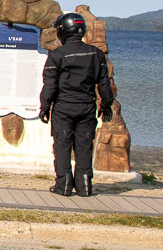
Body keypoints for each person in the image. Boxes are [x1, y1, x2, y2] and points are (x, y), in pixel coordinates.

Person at [38, 12, 114, 196]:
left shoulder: (58, 55)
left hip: (64, 108)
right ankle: (85, 186)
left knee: (62, 146)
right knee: (84, 146)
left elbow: (50, 86)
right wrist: (106, 105)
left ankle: (63, 186)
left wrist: (44, 108)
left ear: (63, 31)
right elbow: (104, 83)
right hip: (87, 107)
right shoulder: (95, 54)